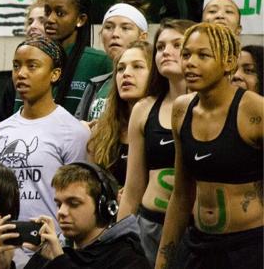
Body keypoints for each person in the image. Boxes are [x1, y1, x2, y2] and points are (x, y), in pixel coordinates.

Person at [155, 23, 263, 269]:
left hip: (251, 248)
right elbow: (182, 194)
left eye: (203, 55)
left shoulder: (256, 111)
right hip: (200, 246)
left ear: (228, 62)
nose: (190, 63)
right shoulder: (182, 110)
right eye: (186, 55)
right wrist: (162, 262)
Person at [0, 37, 90, 268]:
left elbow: (78, 200)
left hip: (50, 251)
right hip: (3, 248)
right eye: (16, 66)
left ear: (54, 74)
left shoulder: (72, 132)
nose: (21, 74)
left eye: (32, 66)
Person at [117, 19, 194, 266]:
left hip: (197, 230)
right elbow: (131, 190)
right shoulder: (144, 108)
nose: (166, 52)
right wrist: (118, 243)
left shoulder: (212, 107)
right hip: (150, 226)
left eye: (176, 45)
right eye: (160, 47)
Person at [0, 163, 149, 269]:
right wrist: (4, 266)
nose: (61, 211)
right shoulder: (51, 251)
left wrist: (59, 261)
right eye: (58, 204)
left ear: (105, 207)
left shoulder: (127, 259)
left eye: (73, 203)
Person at [75, 0, 150, 122]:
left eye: (125, 28)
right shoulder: (96, 85)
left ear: (143, 37)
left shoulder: (153, 81)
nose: (115, 34)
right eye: (108, 27)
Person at [40, 0, 113, 115]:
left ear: (81, 19)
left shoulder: (99, 62)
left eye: (60, 13)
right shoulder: (33, 59)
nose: (50, 19)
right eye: (47, 11)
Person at [87, 41, 153, 187]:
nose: (126, 74)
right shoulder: (101, 132)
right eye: (121, 69)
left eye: (137, 66)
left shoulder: (165, 130)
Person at [0, 0, 46, 122]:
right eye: (30, 22)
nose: (33, 26)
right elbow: (0, 120)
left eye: (42, 21)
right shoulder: (16, 76)